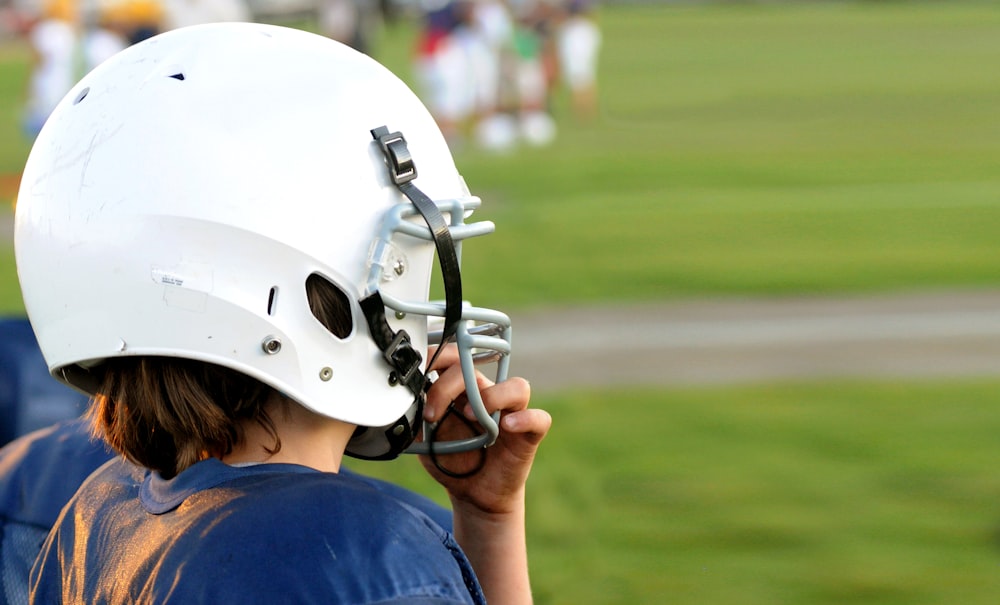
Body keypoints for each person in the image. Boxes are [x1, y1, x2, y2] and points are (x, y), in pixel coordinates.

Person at [15, 22, 551, 605]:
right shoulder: (364, 559)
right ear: (298, 286)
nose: (426, 312)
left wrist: (487, 519)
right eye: (401, 262)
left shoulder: (97, 516)